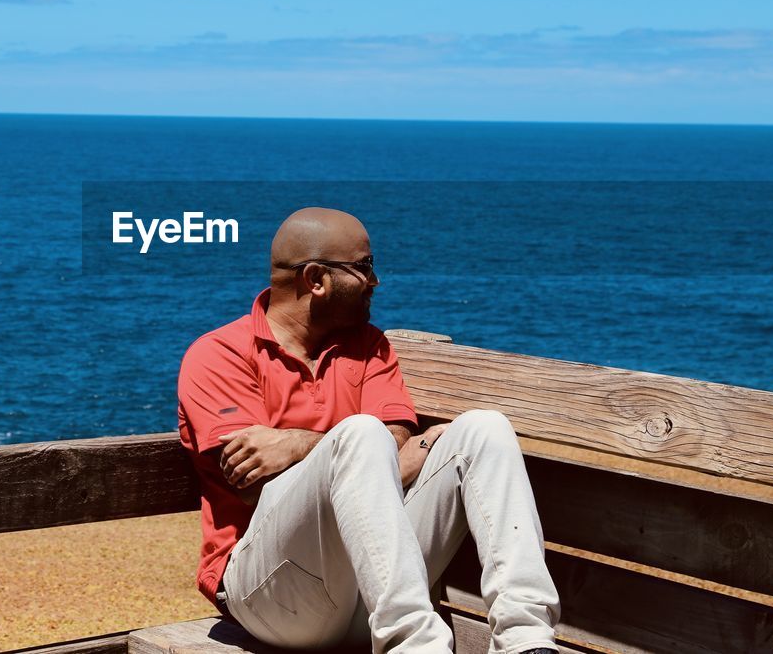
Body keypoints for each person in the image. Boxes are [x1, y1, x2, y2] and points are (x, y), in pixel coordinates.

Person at [176, 207, 560, 653]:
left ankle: (526, 639)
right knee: (361, 433)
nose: (375, 281)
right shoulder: (219, 355)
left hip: (370, 591)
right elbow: (252, 487)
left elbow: (393, 440)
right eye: (363, 268)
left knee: (484, 429)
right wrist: (357, 451)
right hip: (275, 599)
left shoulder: (370, 347)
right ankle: (417, 647)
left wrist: (299, 444)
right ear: (316, 279)